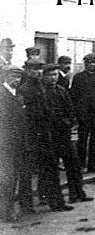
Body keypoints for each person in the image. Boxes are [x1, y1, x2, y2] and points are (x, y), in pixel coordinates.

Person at [21, 59, 72, 211]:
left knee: (50, 169)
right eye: (33, 70)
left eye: (39, 70)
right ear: (27, 71)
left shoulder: (42, 88)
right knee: (26, 172)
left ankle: (56, 203)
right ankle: (26, 206)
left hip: (44, 135)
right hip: (30, 136)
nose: (37, 73)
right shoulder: (24, 90)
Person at [41, 65, 91, 204]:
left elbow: (70, 109)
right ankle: (47, 198)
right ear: (44, 77)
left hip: (64, 134)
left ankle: (77, 194)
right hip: (49, 135)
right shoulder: (42, 93)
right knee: (50, 168)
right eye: (50, 75)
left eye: (55, 75)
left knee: (73, 164)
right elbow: (45, 114)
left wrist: (69, 122)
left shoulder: (62, 91)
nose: (53, 78)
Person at [69, 53, 95, 173]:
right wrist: (76, 114)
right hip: (84, 115)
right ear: (85, 64)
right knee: (82, 140)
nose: (91, 65)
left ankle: (92, 166)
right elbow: (74, 96)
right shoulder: (79, 78)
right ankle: (81, 165)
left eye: (93, 63)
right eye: (89, 63)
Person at [0, 67, 26, 221]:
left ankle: (7, 210)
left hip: (16, 143)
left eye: (19, 77)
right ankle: (5, 212)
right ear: (5, 76)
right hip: (4, 143)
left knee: (12, 177)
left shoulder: (18, 95)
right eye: (13, 77)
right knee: (6, 179)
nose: (16, 80)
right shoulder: (2, 95)